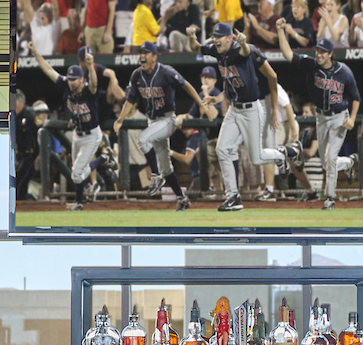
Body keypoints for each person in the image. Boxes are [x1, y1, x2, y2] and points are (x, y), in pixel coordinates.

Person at [208, 22, 295, 211]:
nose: (216, 40)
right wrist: (218, 98)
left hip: (253, 107)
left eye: (219, 36)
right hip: (235, 108)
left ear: (231, 38)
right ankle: (233, 197)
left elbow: (272, 76)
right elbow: (230, 82)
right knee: (222, 149)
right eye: (214, 36)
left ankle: (284, 153)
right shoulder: (224, 55)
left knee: (256, 157)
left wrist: (274, 109)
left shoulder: (250, 52)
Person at [118, 43, 205, 209]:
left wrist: (200, 103)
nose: (142, 56)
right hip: (152, 121)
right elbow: (130, 99)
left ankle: (155, 175)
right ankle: (182, 198)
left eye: (146, 53)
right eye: (141, 53)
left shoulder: (165, 71)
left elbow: (185, 84)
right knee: (166, 167)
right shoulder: (137, 75)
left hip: (167, 119)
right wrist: (120, 118)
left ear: (154, 56)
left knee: (143, 139)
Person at [306, 42, 363, 209]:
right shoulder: (312, 67)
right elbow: (289, 55)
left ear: (330, 53)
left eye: (323, 51)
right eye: (317, 51)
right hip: (321, 117)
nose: (319, 54)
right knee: (326, 164)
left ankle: (330, 198)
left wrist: (352, 118)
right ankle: (348, 162)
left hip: (339, 117)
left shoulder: (344, 71)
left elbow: (356, 97)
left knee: (331, 158)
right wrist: (282, 32)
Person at [59, 54, 116, 209]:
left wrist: (90, 66)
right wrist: (36, 54)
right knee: (76, 173)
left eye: (74, 79)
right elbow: (50, 72)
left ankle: (79, 202)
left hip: (91, 133)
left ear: (81, 79)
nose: (71, 81)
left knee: (76, 174)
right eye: (70, 78)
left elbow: (94, 85)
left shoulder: (88, 91)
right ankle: (104, 158)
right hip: (78, 133)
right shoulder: (68, 90)